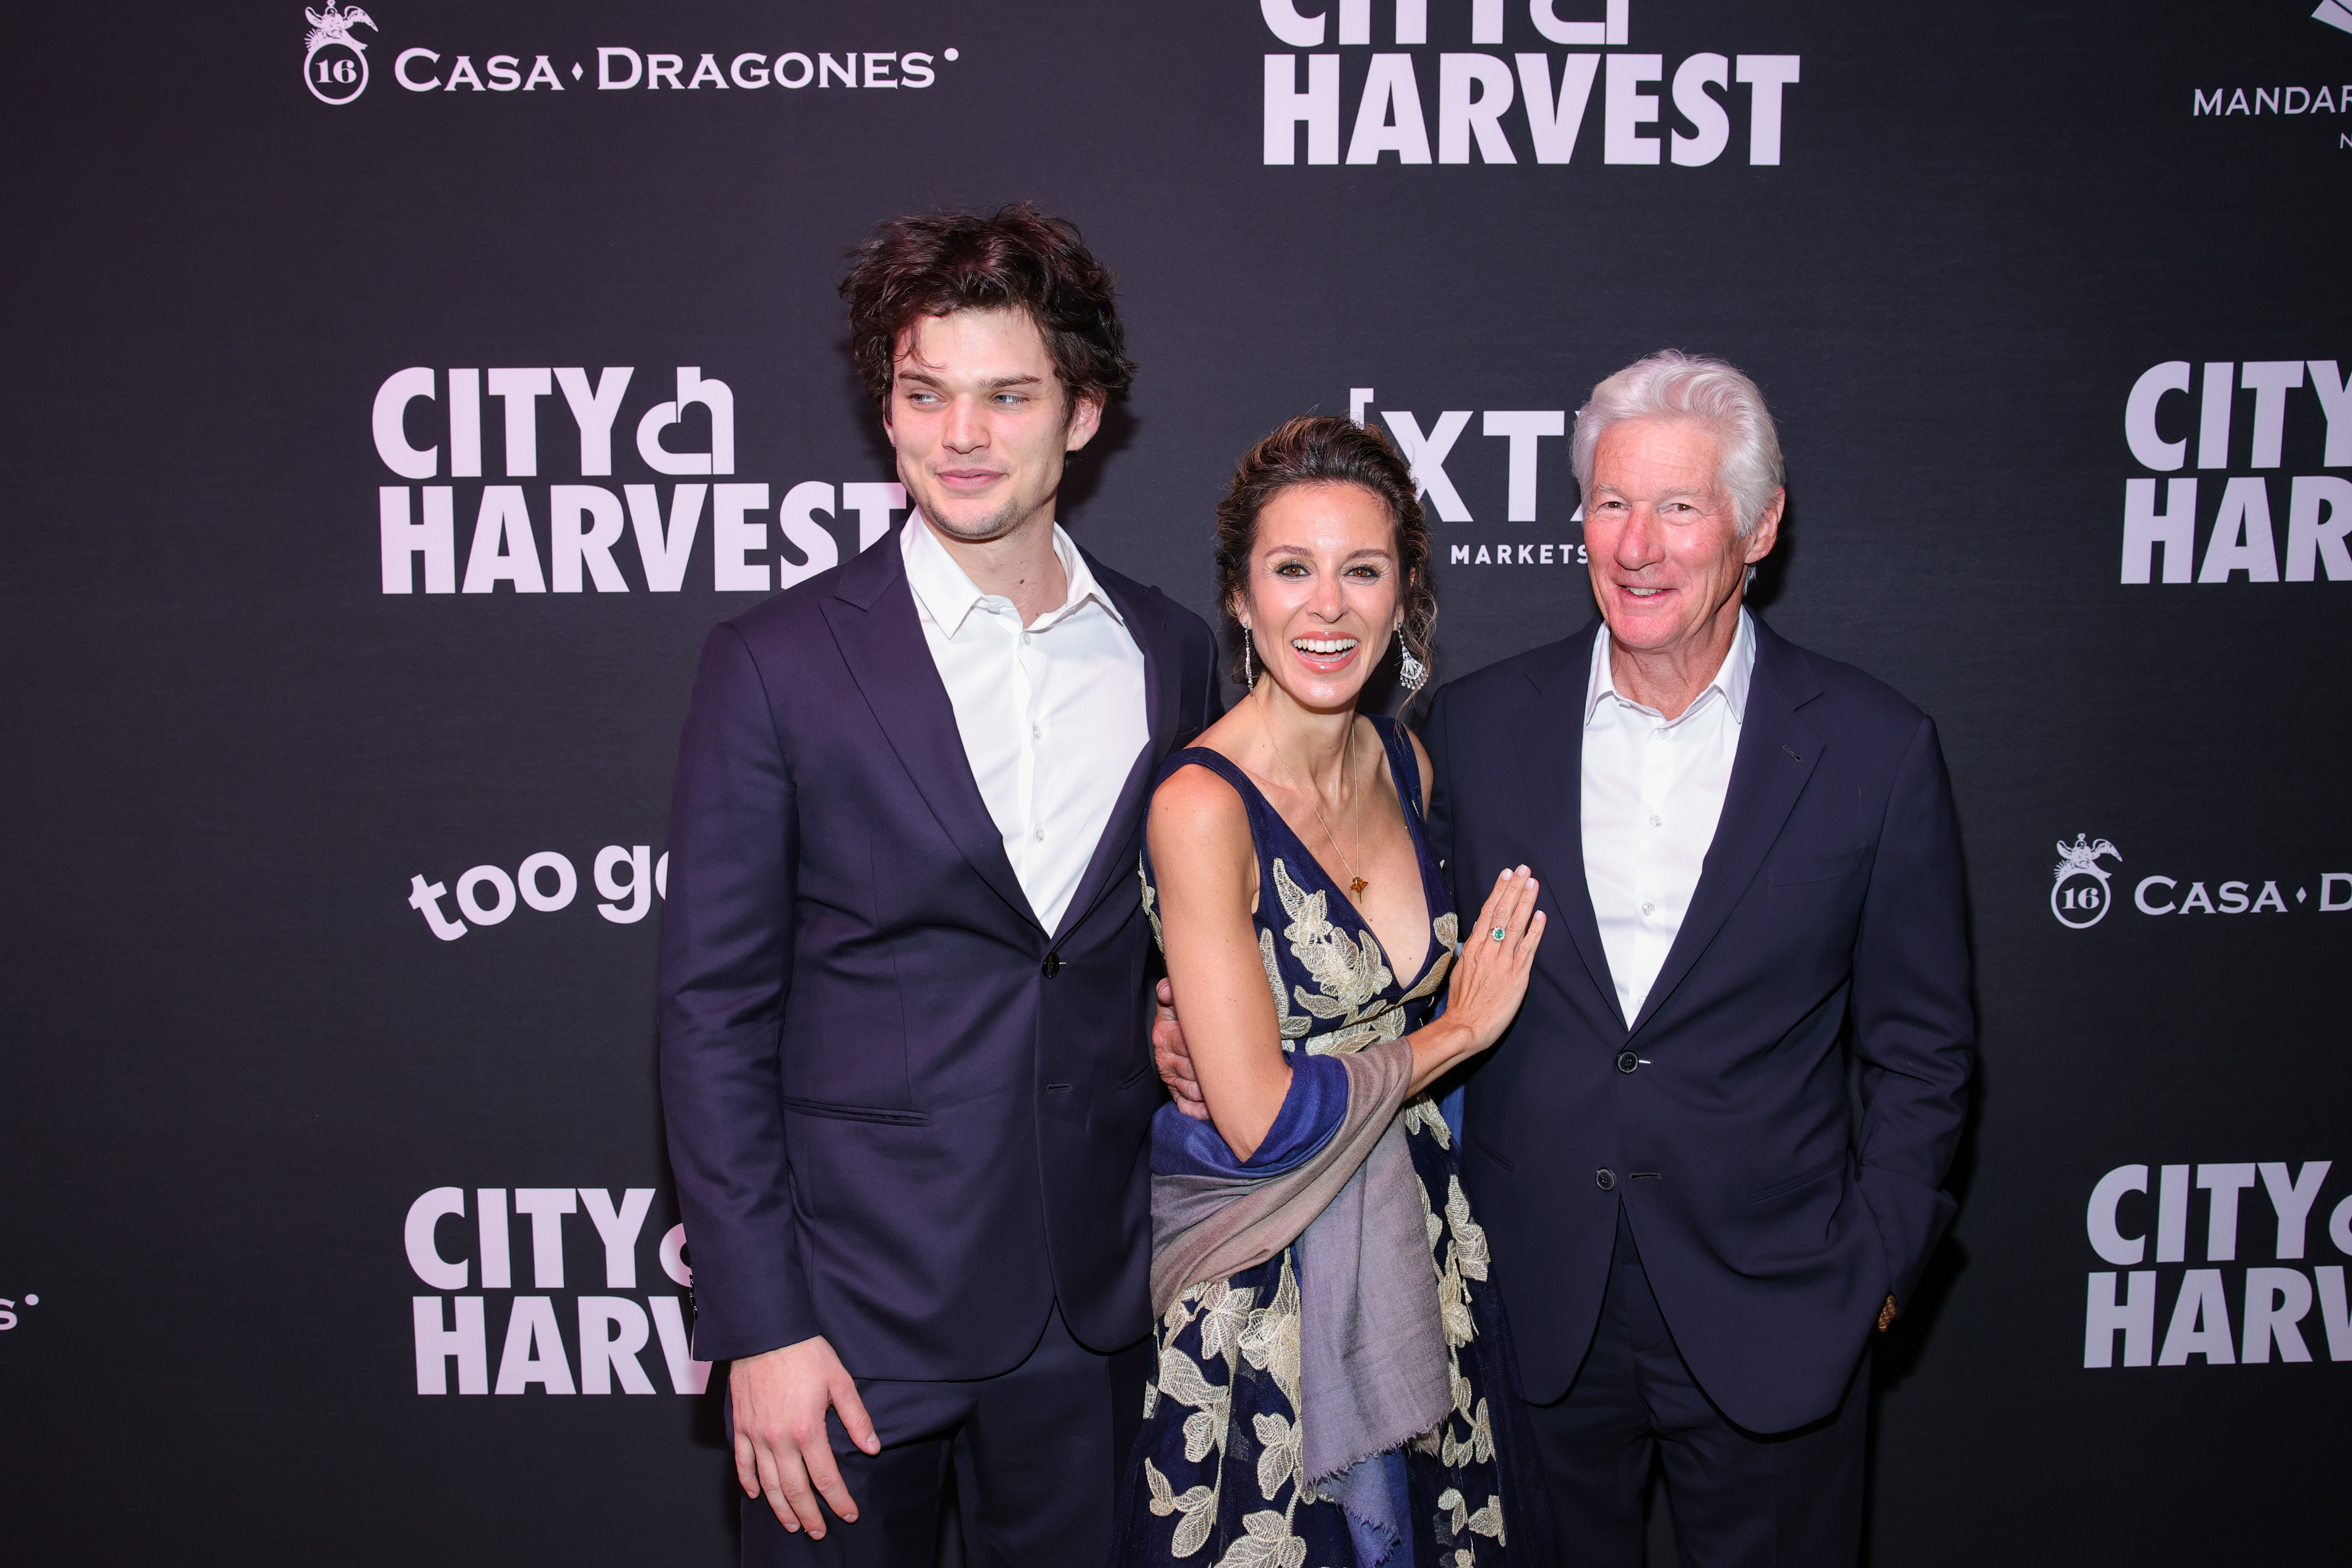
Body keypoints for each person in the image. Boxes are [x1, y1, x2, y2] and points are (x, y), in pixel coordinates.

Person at [1159, 353, 1975, 1566]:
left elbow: (1925, 1049)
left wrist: (1876, 1272)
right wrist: (1178, 1023)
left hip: (1780, 1311)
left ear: (1760, 527)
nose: (1637, 545)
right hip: (1526, 1312)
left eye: (1681, 507)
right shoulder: (1473, 733)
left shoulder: (1873, 748)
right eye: (1610, 503)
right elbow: (1365, 952)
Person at [657, 204, 1220, 1564]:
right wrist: (762, 1325)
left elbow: (1165, 948)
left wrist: (1175, 1028)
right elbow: (710, 1017)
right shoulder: (777, 661)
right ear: (891, 412)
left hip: (1091, 1315)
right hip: (846, 1328)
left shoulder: (1170, 653)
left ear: (1081, 414)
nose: (962, 434)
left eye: (1007, 395)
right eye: (927, 394)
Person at [1115, 416, 1557, 1567]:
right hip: (1271, 1309)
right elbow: (1258, 1116)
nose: (1328, 607)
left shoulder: (1402, 761)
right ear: (1242, 599)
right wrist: (1460, 1030)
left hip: (1423, 1262)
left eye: (1362, 570)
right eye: (1292, 570)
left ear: (1405, 594)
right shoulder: (1202, 805)